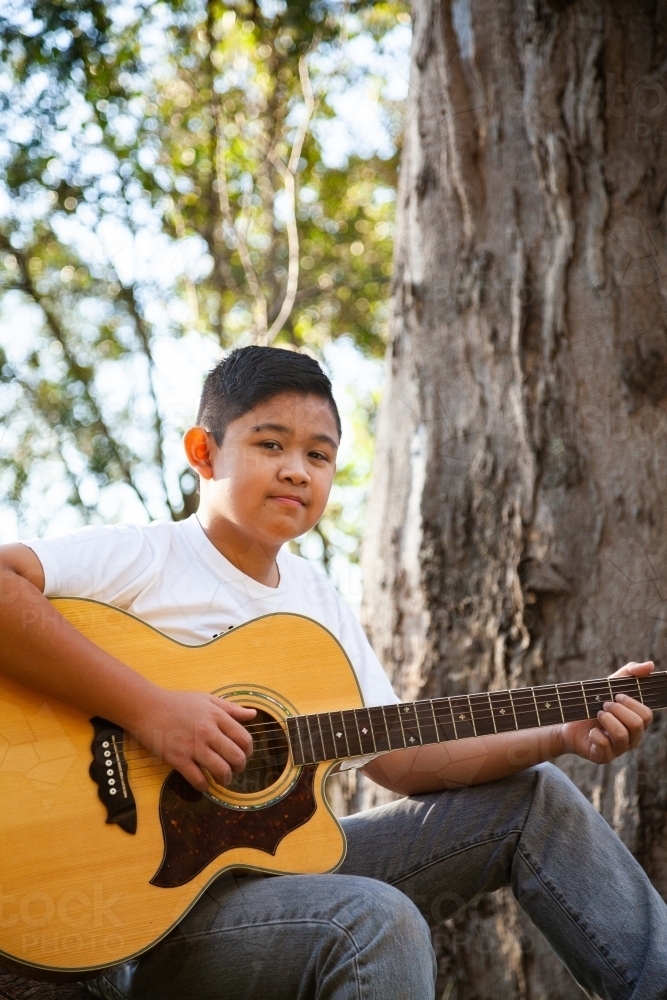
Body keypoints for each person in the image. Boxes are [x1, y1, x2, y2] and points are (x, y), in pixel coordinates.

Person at [0, 346, 664, 1000]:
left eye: (318, 455)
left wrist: (560, 733)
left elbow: (399, 762)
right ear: (203, 452)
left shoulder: (316, 601)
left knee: (533, 798)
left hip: (279, 876)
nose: (296, 470)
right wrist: (151, 709)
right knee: (374, 920)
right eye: (270, 444)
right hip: (154, 917)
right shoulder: (146, 556)